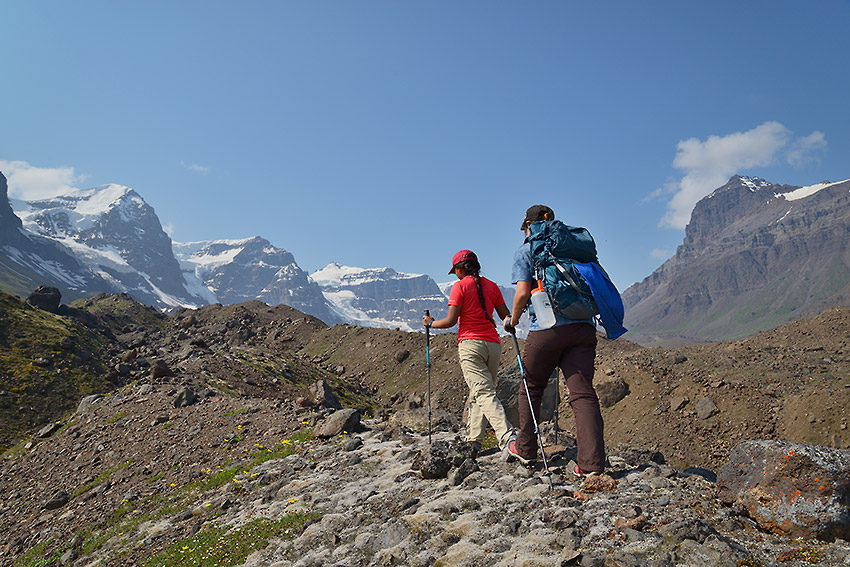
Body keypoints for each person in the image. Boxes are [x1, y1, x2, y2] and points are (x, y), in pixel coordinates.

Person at [504, 205, 605, 476]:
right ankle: (592, 464)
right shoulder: (573, 247)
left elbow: (523, 292)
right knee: (582, 393)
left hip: (547, 329)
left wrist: (512, 321)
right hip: (583, 328)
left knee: (532, 387)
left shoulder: (527, 250)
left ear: (529, 225)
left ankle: (525, 449)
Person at [423, 249, 516, 458]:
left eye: (455, 270)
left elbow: (450, 321)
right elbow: (505, 316)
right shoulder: (492, 286)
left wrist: (431, 323)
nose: (455, 274)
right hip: (493, 344)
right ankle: (474, 441)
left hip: (470, 344)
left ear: (460, 269)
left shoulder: (460, 286)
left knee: (483, 393)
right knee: (479, 393)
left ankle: (508, 436)